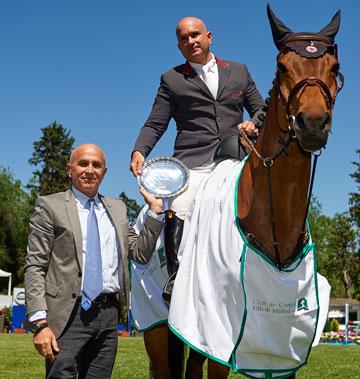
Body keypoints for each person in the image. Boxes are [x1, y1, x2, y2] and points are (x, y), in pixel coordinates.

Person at [129, 16, 266, 379]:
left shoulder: (239, 71)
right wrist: (140, 149)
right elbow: (155, 122)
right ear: (179, 45)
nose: (190, 40)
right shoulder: (172, 79)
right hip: (190, 163)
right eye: (183, 38)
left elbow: (262, 108)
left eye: (195, 34)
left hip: (234, 159)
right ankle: (175, 278)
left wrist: (254, 124)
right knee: (180, 205)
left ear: (208, 37)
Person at [24, 143, 164, 378]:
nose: (90, 170)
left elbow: (139, 253)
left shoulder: (118, 209)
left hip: (108, 315)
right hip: (68, 315)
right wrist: (40, 322)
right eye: (83, 163)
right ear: (70, 169)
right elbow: (35, 266)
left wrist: (155, 212)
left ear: (104, 172)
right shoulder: (50, 206)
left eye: (96, 165)